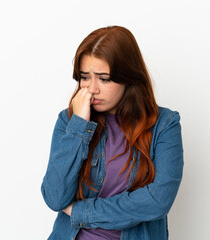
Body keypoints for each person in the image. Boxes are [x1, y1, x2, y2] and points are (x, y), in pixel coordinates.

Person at [41, 25, 184, 240]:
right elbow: (55, 197)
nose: (91, 89)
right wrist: (80, 125)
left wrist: (82, 212)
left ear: (128, 77)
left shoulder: (164, 125)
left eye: (104, 78)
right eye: (84, 77)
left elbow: (157, 201)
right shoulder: (69, 121)